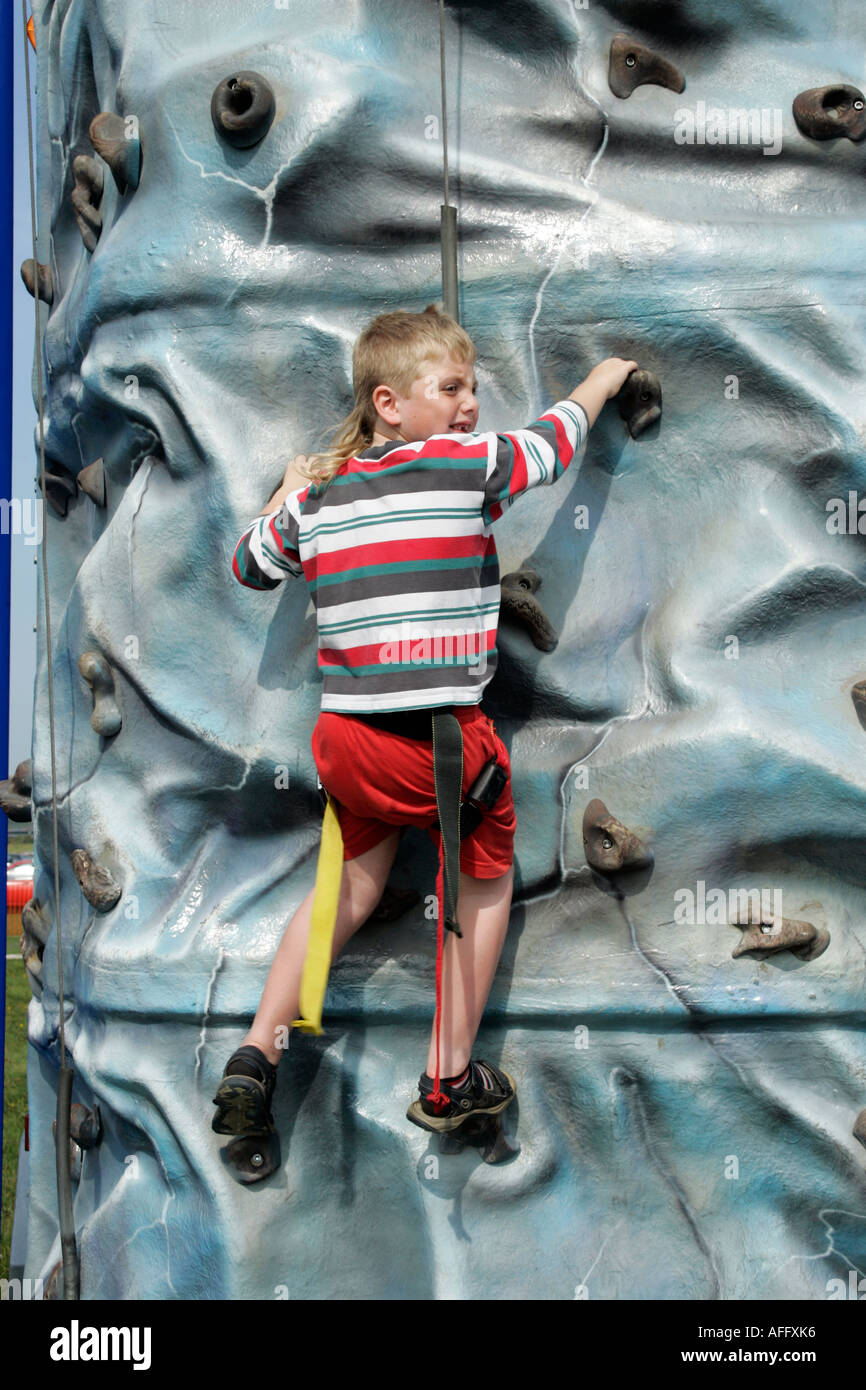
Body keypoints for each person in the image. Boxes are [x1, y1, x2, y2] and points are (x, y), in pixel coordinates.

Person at [212, 303, 637, 1180]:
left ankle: (256, 1049)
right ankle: (448, 1078)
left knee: (350, 888)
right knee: (478, 881)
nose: (472, 404)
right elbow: (554, 445)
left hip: (347, 741)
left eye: (474, 389)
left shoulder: (321, 500)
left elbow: (248, 564)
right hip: (442, 744)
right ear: (389, 403)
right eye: (452, 388)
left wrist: (288, 491)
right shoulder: (461, 466)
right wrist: (607, 375)